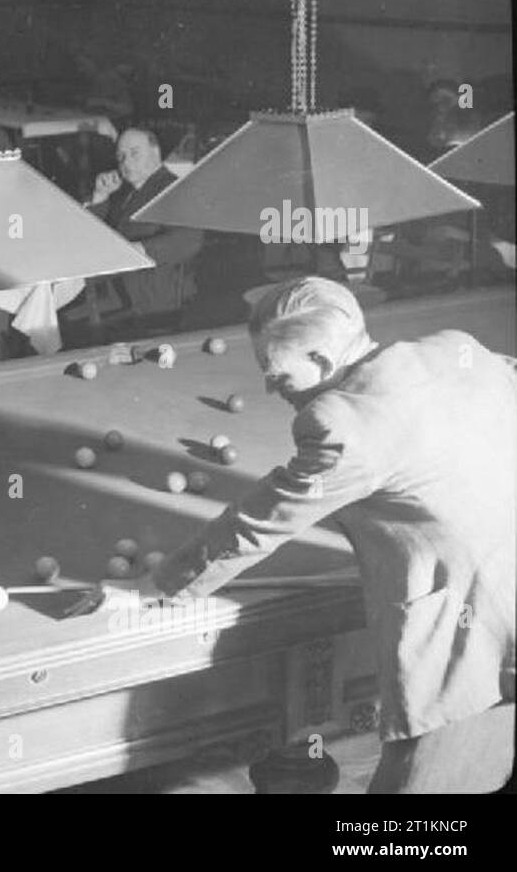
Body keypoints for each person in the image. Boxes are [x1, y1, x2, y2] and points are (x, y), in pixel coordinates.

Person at [141, 277, 515, 793]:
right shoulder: (454, 346)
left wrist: (161, 589)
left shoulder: (341, 424)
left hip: (472, 627)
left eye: (277, 375)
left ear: (319, 361)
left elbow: (259, 523)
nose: (272, 389)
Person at [87, 128, 203, 323]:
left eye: (134, 153)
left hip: (156, 304)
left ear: (155, 153)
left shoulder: (174, 189)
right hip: (119, 295)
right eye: (121, 155)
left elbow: (189, 240)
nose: (126, 162)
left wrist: (136, 250)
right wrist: (100, 196)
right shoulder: (125, 193)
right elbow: (92, 235)